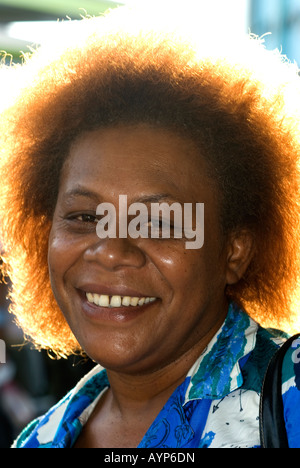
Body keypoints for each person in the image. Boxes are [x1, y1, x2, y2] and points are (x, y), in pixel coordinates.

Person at [1, 5, 300, 448]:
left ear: (234, 252)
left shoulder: (288, 402)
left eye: (158, 222)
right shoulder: (38, 440)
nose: (111, 249)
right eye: (84, 217)